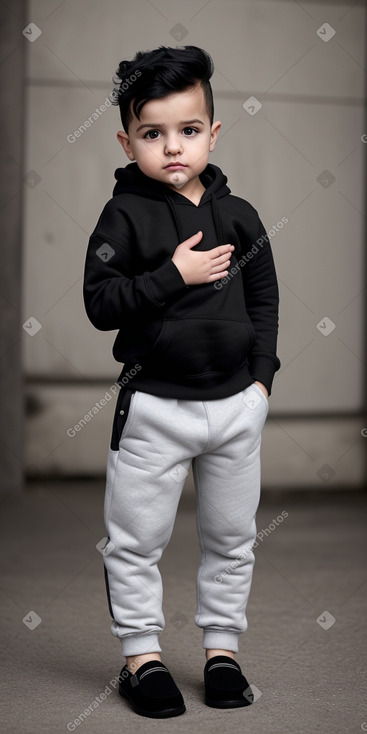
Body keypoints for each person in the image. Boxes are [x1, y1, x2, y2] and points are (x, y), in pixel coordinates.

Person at [83, 44, 281, 719]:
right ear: (127, 139)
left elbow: (264, 299)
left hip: (233, 409)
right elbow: (99, 303)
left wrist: (260, 384)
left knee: (231, 538)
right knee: (136, 541)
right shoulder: (123, 217)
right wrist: (173, 276)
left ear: (212, 133)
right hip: (154, 411)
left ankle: (221, 650)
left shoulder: (239, 216)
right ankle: (142, 657)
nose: (173, 148)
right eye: (152, 133)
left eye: (188, 131)